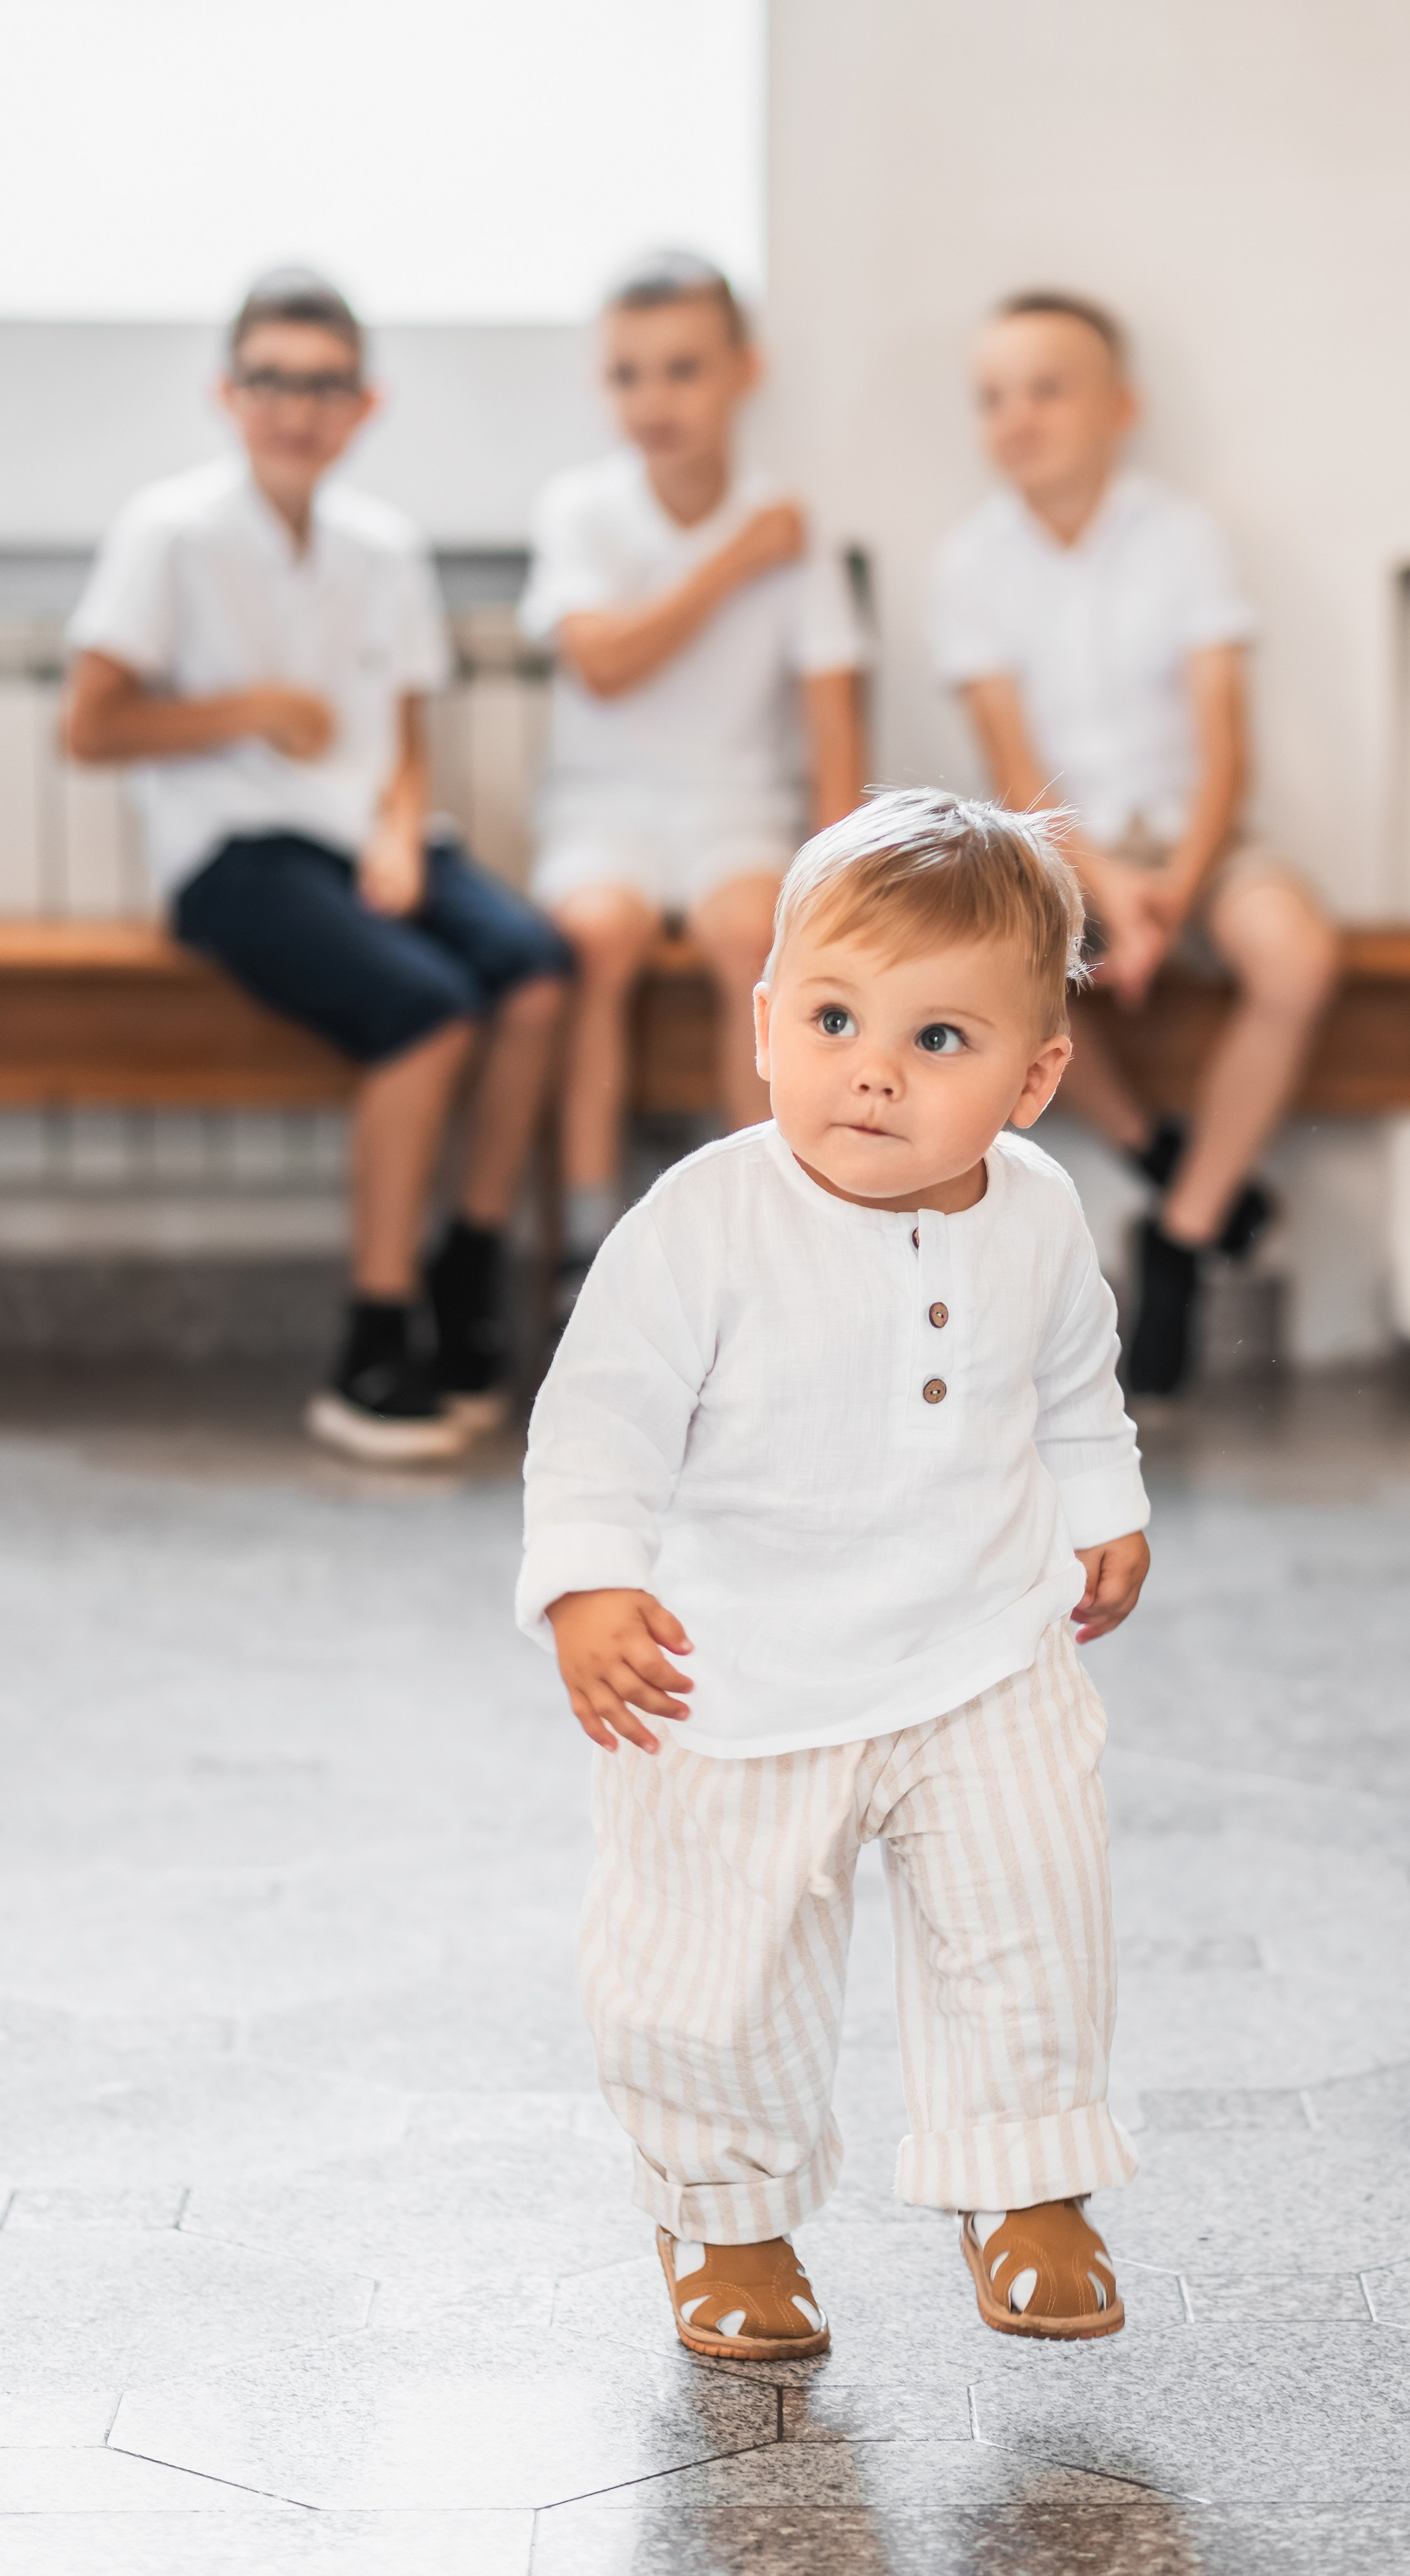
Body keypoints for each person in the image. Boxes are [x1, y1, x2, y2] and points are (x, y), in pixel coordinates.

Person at [518, 788, 1150, 2357]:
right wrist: (589, 1583)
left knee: (1031, 1911)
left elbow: (1075, 1380)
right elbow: (598, 1415)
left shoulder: (1044, 1215)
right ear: (763, 1022)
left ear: (1034, 1075)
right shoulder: (703, 1223)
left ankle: (1026, 2179)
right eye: (832, 1015)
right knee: (706, 1970)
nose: (871, 1066)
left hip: (983, 1647)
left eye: (939, 1040)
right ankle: (724, 2216)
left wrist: (1103, 1500)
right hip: (733, 1671)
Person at [63, 268, 569, 1462]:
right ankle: (370, 1340)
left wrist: (400, 834)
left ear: (363, 406)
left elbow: (402, 747)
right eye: (272, 381)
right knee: (429, 1014)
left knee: (538, 971)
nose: (296, 407)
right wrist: (246, 710)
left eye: (323, 385)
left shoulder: (383, 549)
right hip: (233, 852)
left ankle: (467, 1266)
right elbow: (88, 730)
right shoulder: (170, 533)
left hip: (360, 839)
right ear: (228, 395)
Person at [930, 290, 1340, 1396]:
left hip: (1196, 836)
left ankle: (1186, 1227)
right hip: (1058, 843)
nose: (1018, 417)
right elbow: (1017, 773)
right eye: (993, 397)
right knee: (1008, 964)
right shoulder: (973, 564)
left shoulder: (1183, 540)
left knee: (1295, 953)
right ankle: (1165, 1153)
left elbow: (1225, 751)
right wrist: (1107, 889)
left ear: (1120, 407)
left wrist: (1174, 889)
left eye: (1047, 390)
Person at [518, 250, 867, 1315]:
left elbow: (831, 721)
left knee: (750, 942)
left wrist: (844, 881)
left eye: (683, 369)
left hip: (738, 810)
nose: (656, 398)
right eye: (629, 374)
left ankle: (752, 1235)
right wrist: (730, 561)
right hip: (601, 811)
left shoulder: (792, 530)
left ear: (740, 373)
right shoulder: (582, 511)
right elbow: (605, 666)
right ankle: (587, 1237)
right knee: (598, 940)